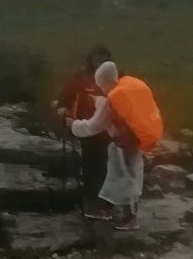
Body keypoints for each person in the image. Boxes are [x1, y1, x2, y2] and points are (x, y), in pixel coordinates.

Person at [64, 60, 163, 232]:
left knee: (124, 178)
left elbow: (93, 126)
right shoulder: (126, 88)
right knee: (121, 176)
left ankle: (130, 218)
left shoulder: (112, 101)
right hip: (133, 141)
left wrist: (72, 124)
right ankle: (107, 209)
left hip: (120, 145)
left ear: (102, 81)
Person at [53, 44, 111, 216]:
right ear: (91, 58)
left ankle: (99, 198)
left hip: (106, 128)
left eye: (102, 59)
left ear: (108, 59)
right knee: (89, 159)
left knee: (101, 161)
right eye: (96, 58)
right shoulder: (81, 75)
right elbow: (67, 94)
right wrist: (63, 106)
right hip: (85, 124)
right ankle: (92, 196)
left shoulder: (114, 77)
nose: (99, 62)